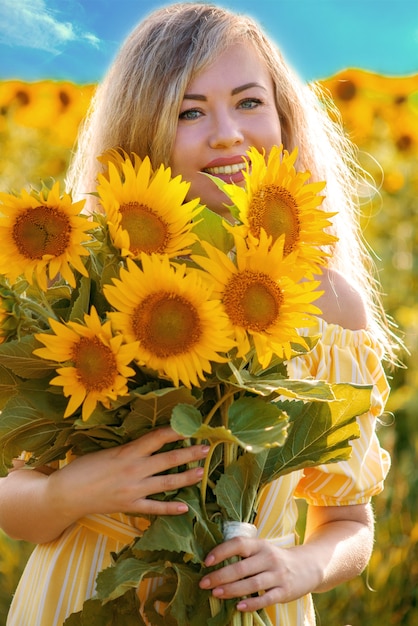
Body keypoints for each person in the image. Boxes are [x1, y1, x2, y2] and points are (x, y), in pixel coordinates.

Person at [0, 3, 400, 625]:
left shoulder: (325, 304)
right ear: (142, 132)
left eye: (249, 103)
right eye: (189, 111)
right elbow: (14, 499)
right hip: (86, 596)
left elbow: (348, 523)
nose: (226, 134)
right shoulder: (88, 285)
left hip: (245, 605)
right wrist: (72, 489)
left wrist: (300, 566)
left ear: (285, 119)